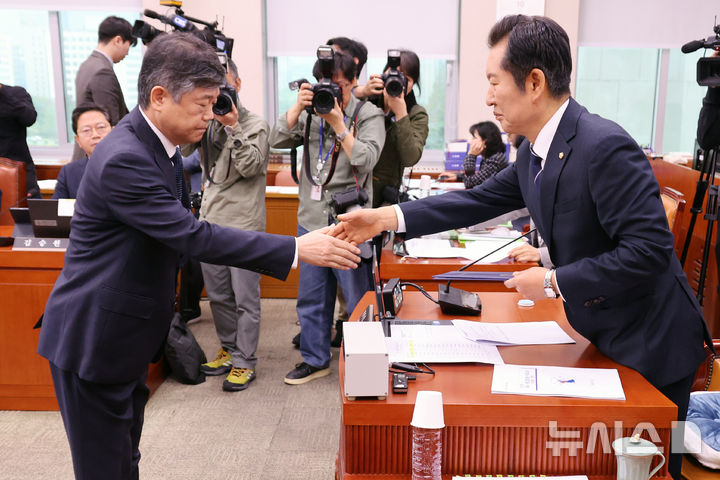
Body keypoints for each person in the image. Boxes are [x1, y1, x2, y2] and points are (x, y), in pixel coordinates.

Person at [334, 15, 712, 479]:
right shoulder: (534, 149)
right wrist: (385, 218)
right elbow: (475, 202)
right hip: (603, 332)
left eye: (494, 82)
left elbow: (648, 251)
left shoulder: (604, 146)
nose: (488, 97)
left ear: (534, 82)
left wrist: (552, 280)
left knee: (655, 468)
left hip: (654, 343)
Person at [37, 33, 361, 480]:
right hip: (95, 337)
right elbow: (192, 235)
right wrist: (294, 247)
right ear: (159, 96)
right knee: (104, 469)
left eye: (216, 102)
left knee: (123, 458)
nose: (211, 115)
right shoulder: (125, 157)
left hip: (123, 335)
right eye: (203, 104)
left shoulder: (158, 146)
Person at [269, 50, 385, 385]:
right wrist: (296, 107)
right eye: (326, 85)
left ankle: (365, 367)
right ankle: (315, 359)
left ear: (353, 83)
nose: (332, 93)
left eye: (339, 86)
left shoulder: (367, 114)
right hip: (311, 218)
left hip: (349, 224)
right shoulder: (310, 112)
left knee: (358, 299)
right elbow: (276, 141)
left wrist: (339, 124)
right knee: (311, 298)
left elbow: (366, 160)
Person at [183, 57, 271, 392]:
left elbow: (250, 166)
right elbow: (184, 147)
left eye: (225, 81)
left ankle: (245, 361)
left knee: (245, 298)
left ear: (238, 82)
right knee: (219, 295)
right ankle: (229, 348)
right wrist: (199, 116)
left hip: (244, 225)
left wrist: (233, 127)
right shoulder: (207, 121)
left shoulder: (256, 124)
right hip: (211, 221)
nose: (219, 89)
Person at [352, 50, 429, 208]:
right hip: (351, 188)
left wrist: (401, 114)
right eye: (392, 75)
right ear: (382, 76)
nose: (397, 82)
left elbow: (411, 158)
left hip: (382, 198)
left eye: (404, 79)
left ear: (413, 84)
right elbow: (340, 103)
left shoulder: (416, 113)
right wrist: (360, 91)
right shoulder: (367, 102)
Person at [72, 16, 135, 161]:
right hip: (99, 158)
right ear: (118, 40)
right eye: (129, 45)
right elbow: (112, 124)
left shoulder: (87, 65)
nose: (127, 53)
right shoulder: (102, 71)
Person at [53, 104, 112, 199]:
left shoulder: (133, 165)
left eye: (101, 127)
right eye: (86, 130)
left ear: (114, 131)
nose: (95, 135)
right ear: (78, 140)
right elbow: (56, 210)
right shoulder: (69, 173)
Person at [0, 83, 40, 198]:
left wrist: (4, 93)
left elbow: (29, 118)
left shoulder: (16, 93)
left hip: (20, 173)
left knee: (31, 213)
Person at [440, 121, 507, 189]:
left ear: (485, 141)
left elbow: (471, 183)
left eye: (474, 138)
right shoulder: (491, 157)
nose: (470, 141)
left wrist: (471, 155)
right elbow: (478, 177)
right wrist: (457, 177)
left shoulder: (495, 160)